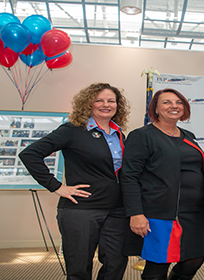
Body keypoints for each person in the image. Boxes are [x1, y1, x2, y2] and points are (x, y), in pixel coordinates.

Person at [19, 83, 142, 280]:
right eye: (99, 100)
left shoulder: (119, 134)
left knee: (116, 263)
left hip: (118, 210)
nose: (106, 104)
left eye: (111, 101)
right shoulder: (72, 130)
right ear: (88, 103)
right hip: (81, 210)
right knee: (78, 268)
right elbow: (30, 154)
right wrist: (56, 186)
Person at [121, 88, 204, 280]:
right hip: (159, 213)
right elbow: (129, 177)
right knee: (158, 265)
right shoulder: (142, 136)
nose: (174, 106)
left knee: (194, 259)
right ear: (156, 109)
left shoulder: (188, 135)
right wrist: (135, 213)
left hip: (192, 213)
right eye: (166, 102)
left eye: (179, 102)